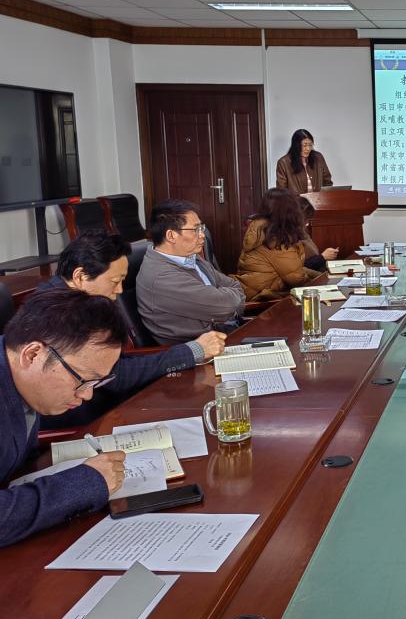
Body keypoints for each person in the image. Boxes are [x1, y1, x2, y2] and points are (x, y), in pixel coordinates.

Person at [35, 231, 226, 428]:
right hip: (85, 424)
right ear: (80, 276)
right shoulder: (57, 314)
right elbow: (116, 376)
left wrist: (190, 352)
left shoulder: (72, 299)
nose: (119, 290)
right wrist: (191, 352)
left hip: (108, 410)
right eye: (114, 281)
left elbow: (118, 363)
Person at [0, 289, 131, 546]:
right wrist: (86, 483)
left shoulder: (21, 380)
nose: (87, 394)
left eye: (96, 382)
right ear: (33, 354)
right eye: (82, 379)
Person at [137, 200, 246, 345]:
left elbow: (236, 286)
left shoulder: (190, 257)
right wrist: (228, 303)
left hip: (225, 333)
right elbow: (226, 306)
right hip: (200, 350)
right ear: (171, 236)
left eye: (201, 228)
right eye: (196, 229)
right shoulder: (162, 277)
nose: (202, 235)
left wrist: (227, 302)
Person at [234, 189, 320, 301]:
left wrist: (320, 275)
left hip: (255, 290)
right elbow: (297, 279)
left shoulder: (263, 228)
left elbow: (293, 269)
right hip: (262, 297)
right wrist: (323, 284)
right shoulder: (275, 238)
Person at [275, 128, 333, 194]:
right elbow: (282, 191)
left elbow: (327, 182)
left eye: (310, 145)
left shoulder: (318, 157)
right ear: (296, 146)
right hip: (296, 200)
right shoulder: (283, 163)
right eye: (304, 145)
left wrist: (325, 197)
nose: (308, 149)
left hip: (318, 200)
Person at [298, 196, 339, 272]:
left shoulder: (303, 233)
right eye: (306, 220)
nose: (307, 224)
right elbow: (298, 268)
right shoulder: (288, 238)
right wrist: (322, 257)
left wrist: (325, 257)